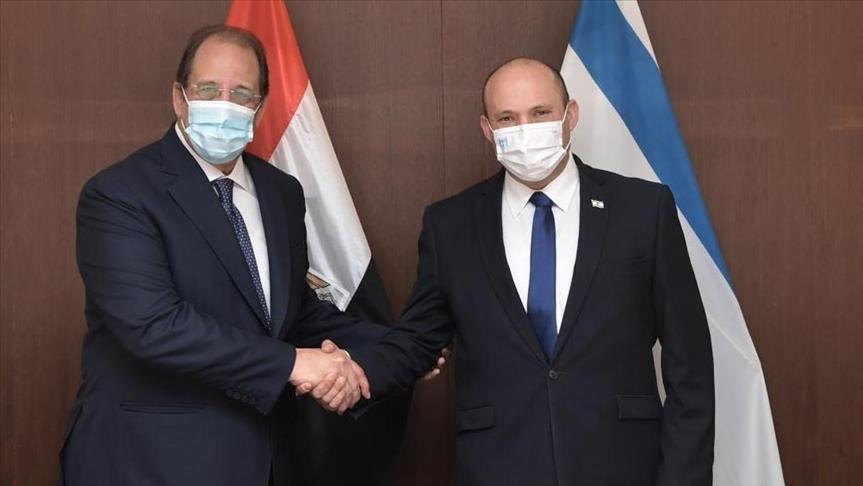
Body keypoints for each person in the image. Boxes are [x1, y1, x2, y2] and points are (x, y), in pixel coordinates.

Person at [346, 58, 715, 485]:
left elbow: (690, 366)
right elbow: (417, 339)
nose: (525, 129)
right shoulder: (450, 225)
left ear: (570, 115)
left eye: (540, 113)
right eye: (507, 118)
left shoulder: (643, 210)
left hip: (621, 465)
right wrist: (352, 373)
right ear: (487, 129)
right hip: (499, 468)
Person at [59, 25, 382, 486]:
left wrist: (400, 345)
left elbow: (291, 313)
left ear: (260, 108)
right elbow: (154, 325)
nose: (224, 104)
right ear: (180, 98)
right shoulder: (119, 194)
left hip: (266, 458)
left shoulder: (281, 192)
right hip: (147, 460)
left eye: (242, 94)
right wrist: (295, 363)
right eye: (208, 90)